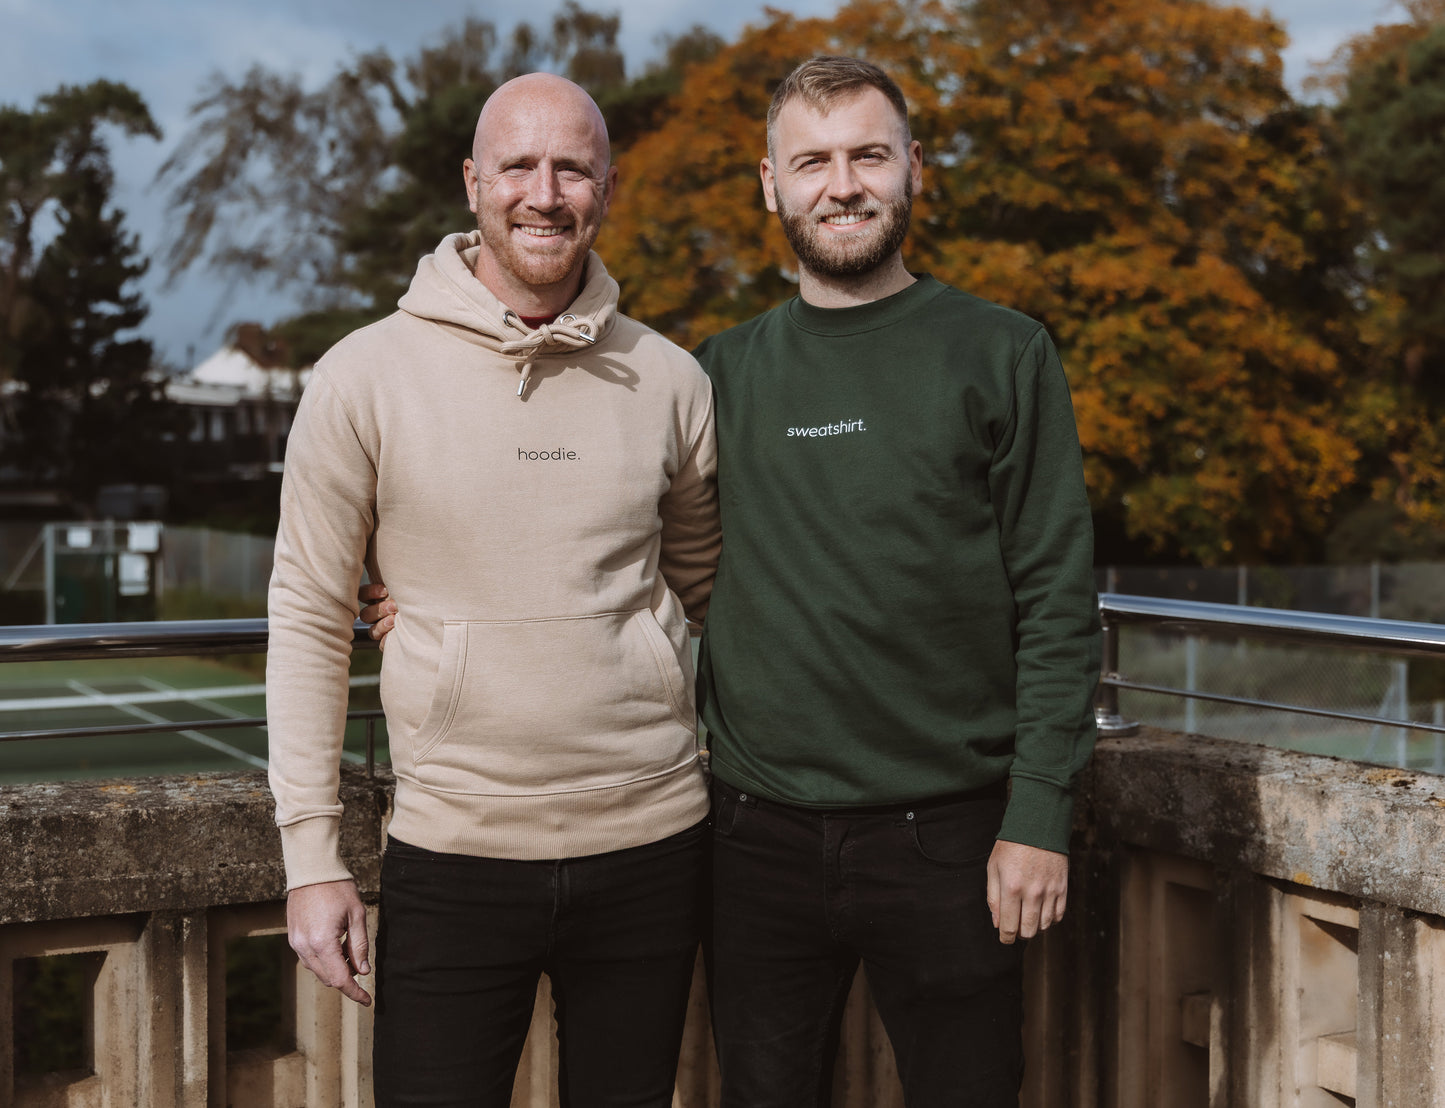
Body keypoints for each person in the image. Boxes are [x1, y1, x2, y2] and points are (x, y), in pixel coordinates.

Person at [364, 55, 1100, 1108]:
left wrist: (1037, 813)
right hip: (753, 839)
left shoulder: (1001, 354)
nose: (839, 184)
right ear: (770, 183)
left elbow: (1057, 601)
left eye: (866, 156)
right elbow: (630, 548)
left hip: (949, 836)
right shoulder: (715, 372)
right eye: (811, 161)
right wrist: (418, 583)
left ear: (913, 171)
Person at [266, 72, 721, 1107]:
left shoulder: (671, 380)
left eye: (571, 167)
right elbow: (304, 615)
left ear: (605, 187)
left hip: (651, 845)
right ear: (473, 182)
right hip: (452, 853)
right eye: (518, 164)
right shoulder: (361, 377)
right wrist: (310, 854)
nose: (543, 192)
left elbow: (696, 582)